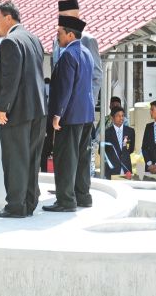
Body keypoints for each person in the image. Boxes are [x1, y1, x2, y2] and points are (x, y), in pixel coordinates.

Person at [0, 2, 46, 218]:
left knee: (15, 159)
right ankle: (28, 202)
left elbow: (10, 79)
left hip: (18, 111)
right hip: (38, 109)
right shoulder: (33, 38)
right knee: (31, 159)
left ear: (9, 18)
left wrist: (2, 107)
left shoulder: (10, 42)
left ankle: (15, 206)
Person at [44, 0, 102, 173]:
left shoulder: (87, 40)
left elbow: (97, 75)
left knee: (79, 155)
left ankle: (72, 194)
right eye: (60, 16)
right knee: (62, 154)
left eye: (66, 16)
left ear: (77, 15)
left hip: (79, 109)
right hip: (60, 108)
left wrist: (84, 102)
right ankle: (67, 190)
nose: (62, 20)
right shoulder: (58, 40)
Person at [44, 15, 95, 212]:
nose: (57, 36)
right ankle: (83, 196)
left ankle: (66, 200)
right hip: (86, 114)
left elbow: (65, 88)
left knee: (65, 158)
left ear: (70, 34)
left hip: (70, 115)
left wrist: (57, 114)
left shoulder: (68, 55)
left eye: (59, 33)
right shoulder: (86, 53)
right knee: (82, 157)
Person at [104, 106, 134, 179]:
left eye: (122, 115)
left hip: (126, 169)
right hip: (112, 170)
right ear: (112, 118)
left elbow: (131, 149)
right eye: (118, 116)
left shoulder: (130, 131)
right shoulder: (106, 133)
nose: (121, 118)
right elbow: (102, 152)